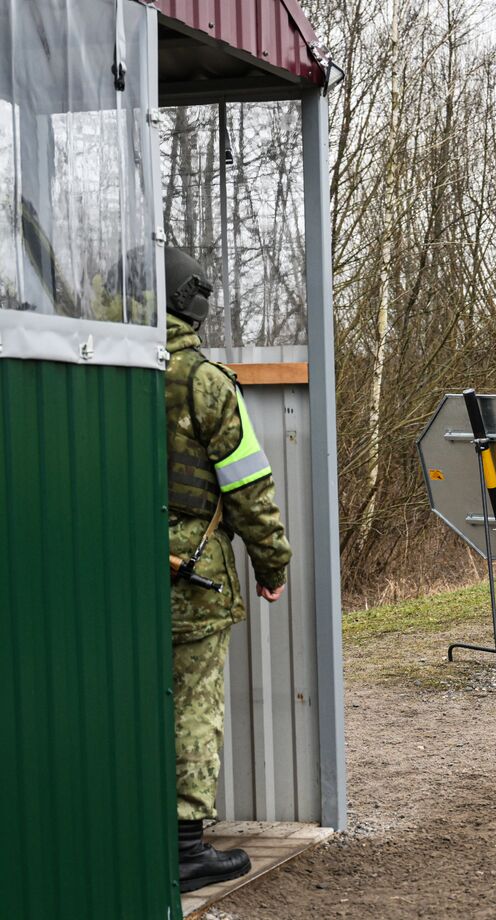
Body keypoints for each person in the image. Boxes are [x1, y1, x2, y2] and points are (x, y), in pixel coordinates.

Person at [164, 246, 293, 892]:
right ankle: (186, 847)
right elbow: (248, 491)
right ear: (191, 304)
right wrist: (272, 564)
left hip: (103, 569)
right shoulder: (203, 383)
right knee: (191, 705)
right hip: (191, 576)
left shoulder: (105, 373)